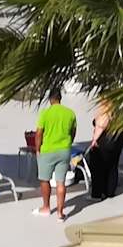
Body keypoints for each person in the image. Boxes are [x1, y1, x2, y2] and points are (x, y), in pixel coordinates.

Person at [34, 87, 77, 220]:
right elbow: (73, 132)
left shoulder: (45, 113)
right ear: (60, 98)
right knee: (60, 182)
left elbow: (39, 133)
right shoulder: (70, 113)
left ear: (50, 99)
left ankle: (46, 207)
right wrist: (68, 143)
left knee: (45, 179)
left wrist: (37, 149)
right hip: (64, 150)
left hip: (48, 150)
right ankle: (60, 213)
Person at [85, 99, 123, 202]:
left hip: (104, 143)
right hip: (117, 142)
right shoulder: (118, 112)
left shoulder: (104, 111)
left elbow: (100, 127)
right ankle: (110, 191)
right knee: (113, 167)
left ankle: (97, 194)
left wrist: (94, 141)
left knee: (98, 169)